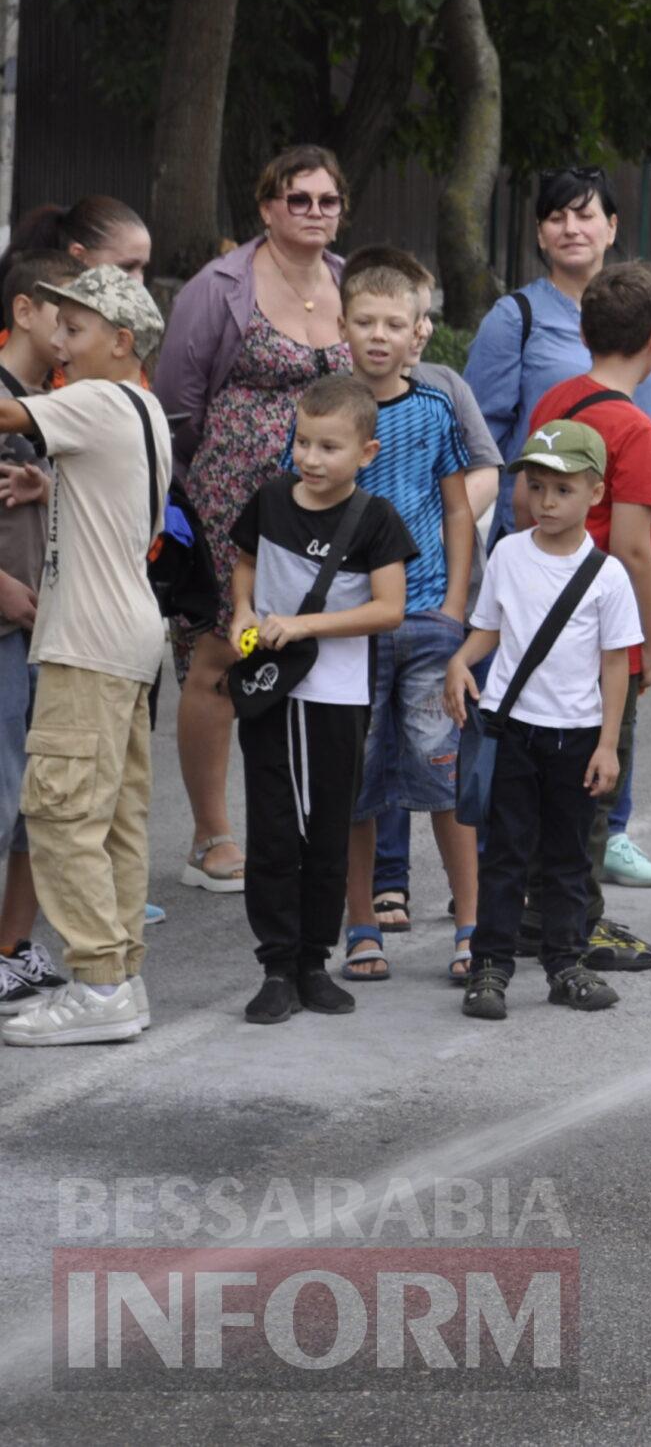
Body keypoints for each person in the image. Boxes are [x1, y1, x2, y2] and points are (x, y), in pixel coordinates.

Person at [462, 166, 651, 890]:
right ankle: (568, 909)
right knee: (573, 710)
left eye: (586, 215)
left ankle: (555, 870)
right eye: (556, 215)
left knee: (574, 717)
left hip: (579, 553)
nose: (572, 228)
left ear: (613, 228)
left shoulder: (583, 377)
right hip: (571, 568)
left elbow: (648, 448)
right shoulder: (517, 319)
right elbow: (492, 445)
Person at [158, 144, 352, 899]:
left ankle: (293, 821)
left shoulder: (345, 280)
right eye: (296, 199)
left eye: (326, 201)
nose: (312, 212)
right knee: (220, 660)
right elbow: (179, 406)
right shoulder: (220, 286)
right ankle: (212, 835)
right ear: (267, 206)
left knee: (306, 653)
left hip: (322, 510)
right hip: (230, 506)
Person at [0, 268, 170, 1046]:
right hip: (130, 636)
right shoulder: (143, 407)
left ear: (121, 342)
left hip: (88, 642)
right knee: (115, 819)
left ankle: (99, 984)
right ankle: (120, 977)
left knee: (62, 813)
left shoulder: (96, 400)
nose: (57, 342)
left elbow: (8, 410)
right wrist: (49, 487)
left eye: (75, 329)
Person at [227, 375, 414, 1023]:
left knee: (327, 829)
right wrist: (243, 612)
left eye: (329, 446)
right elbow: (245, 564)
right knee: (273, 827)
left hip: (335, 695)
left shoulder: (376, 520)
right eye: (303, 441)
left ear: (366, 452)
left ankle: (314, 960)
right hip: (271, 688)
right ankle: (277, 966)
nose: (310, 457)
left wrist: (303, 624)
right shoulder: (271, 499)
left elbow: (389, 610)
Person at [325, 261, 489, 986]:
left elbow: (458, 508)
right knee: (357, 779)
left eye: (395, 323)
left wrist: (455, 606)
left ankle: (473, 923)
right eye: (365, 322)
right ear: (342, 328)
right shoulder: (326, 413)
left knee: (443, 772)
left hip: (426, 617)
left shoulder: (433, 408)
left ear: (418, 331)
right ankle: (361, 923)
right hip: (349, 627)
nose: (379, 336)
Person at [444, 421, 642, 1021]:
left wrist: (608, 746)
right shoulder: (507, 553)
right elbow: (492, 629)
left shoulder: (607, 576)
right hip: (512, 729)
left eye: (563, 489)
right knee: (503, 854)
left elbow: (616, 667)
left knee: (566, 859)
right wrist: (459, 660)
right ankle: (490, 969)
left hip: (576, 737)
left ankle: (566, 966)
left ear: (595, 493)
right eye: (536, 487)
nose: (546, 502)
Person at [520, 264, 651, 974]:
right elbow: (636, 549)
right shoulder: (636, 431)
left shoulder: (559, 399)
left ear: (584, 334)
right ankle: (576, 925)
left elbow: (529, 506)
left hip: (542, 615)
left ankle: (532, 906)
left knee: (546, 773)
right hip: (601, 625)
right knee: (597, 779)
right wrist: (649, 640)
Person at [0, 253, 71, 1013]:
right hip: (6, 631)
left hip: (41, 630)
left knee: (31, 803)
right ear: (25, 312)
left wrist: (49, 485)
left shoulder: (54, 405)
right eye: (64, 316)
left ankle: (12, 948)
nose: (74, 332)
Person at [7, 197, 151, 282]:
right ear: (79, 256)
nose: (139, 281)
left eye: (143, 269)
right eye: (127, 266)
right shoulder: (44, 325)